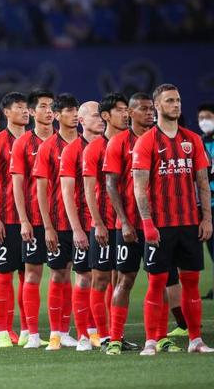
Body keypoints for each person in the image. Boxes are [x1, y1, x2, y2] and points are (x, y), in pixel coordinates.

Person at [132, 83, 214, 355]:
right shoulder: (146, 141)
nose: (176, 104)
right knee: (157, 283)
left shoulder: (193, 140)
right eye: (169, 100)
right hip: (160, 226)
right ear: (157, 106)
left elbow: (202, 183)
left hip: (189, 223)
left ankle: (195, 340)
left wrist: (206, 218)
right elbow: (139, 188)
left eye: (177, 100)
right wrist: (147, 224)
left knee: (191, 283)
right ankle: (151, 341)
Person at [102, 92, 156, 355]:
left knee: (160, 279)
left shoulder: (160, 140)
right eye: (144, 109)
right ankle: (115, 337)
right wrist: (124, 222)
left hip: (159, 224)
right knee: (125, 279)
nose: (150, 113)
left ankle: (157, 338)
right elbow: (110, 185)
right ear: (131, 113)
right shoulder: (118, 142)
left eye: (152, 108)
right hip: (129, 225)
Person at [33, 93, 81, 350]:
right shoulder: (48, 147)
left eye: (76, 110)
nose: (74, 115)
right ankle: (55, 333)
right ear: (58, 115)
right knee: (59, 273)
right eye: (69, 111)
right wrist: (48, 227)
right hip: (59, 222)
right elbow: (41, 191)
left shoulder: (86, 144)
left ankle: (71, 331)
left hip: (85, 223)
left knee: (82, 275)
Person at [0, 92, 30, 347]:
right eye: (19, 107)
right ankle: (3, 331)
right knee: (4, 274)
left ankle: (27, 331)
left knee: (28, 274)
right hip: (7, 218)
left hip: (32, 219)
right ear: (7, 113)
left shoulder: (35, 140)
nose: (25, 111)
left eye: (26, 107)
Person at [82, 93, 128, 348]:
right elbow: (89, 190)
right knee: (100, 279)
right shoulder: (94, 148)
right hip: (103, 223)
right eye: (120, 110)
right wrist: (97, 223)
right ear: (107, 116)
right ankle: (103, 335)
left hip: (126, 224)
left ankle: (116, 333)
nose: (125, 114)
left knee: (120, 279)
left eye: (126, 109)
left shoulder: (132, 143)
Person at [10, 89, 55, 348]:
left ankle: (62, 332)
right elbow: (17, 185)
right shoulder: (23, 143)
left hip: (65, 220)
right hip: (35, 219)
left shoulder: (66, 140)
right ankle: (33, 334)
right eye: (43, 106)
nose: (49, 111)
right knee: (32, 274)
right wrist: (24, 220)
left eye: (52, 107)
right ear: (32, 111)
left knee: (65, 274)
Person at [59, 101, 104, 351]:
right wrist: (76, 229)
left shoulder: (111, 145)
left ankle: (103, 332)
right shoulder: (72, 150)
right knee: (84, 276)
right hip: (84, 224)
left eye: (101, 115)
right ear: (82, 121)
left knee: (107, 276)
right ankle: (84, 334)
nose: (100, 119)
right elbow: (67, 193)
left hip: (109, 223)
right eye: (95, 116)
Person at [197, 102, 214, 300]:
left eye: (208, 117)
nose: (204, 121)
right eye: (201, 118)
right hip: (207, 205)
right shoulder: (198, 142)